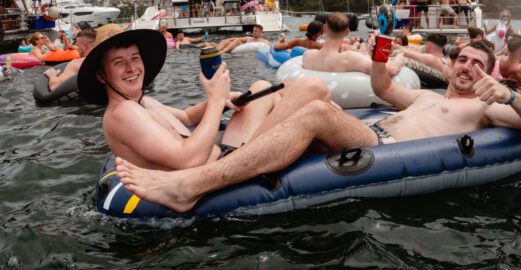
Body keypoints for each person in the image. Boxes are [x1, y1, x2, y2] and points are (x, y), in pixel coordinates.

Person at [113, 39, 521, 212]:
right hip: (373, 131)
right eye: (461, 60)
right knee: (302, 90)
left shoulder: (484, 107)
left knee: (318, 112)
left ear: (488, 72)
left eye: (477, 64)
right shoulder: (427, 95)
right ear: (452, 64)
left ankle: (191, 185)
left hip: (382, 147)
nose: (466, 68)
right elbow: (384, 88)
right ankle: (225, 153)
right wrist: (383, 59)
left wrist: (510, 95)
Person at [76, 26, 331, 171]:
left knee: (262, 86)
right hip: (225, 167)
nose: (132, 69)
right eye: (119, 63)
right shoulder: (123, 113)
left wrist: (224, 98)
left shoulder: (141, 103)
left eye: (134, 59)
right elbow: (188, 159)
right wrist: (216, 99)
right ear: (101, 75)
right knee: (311, 88)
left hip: (227, 154)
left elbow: (186, 117)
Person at [302, 12, 402, 75]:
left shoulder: (307, 56)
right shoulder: (351, 58)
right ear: (347, 32)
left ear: (324, 28)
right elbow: (390, 71)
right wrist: (399, 58)